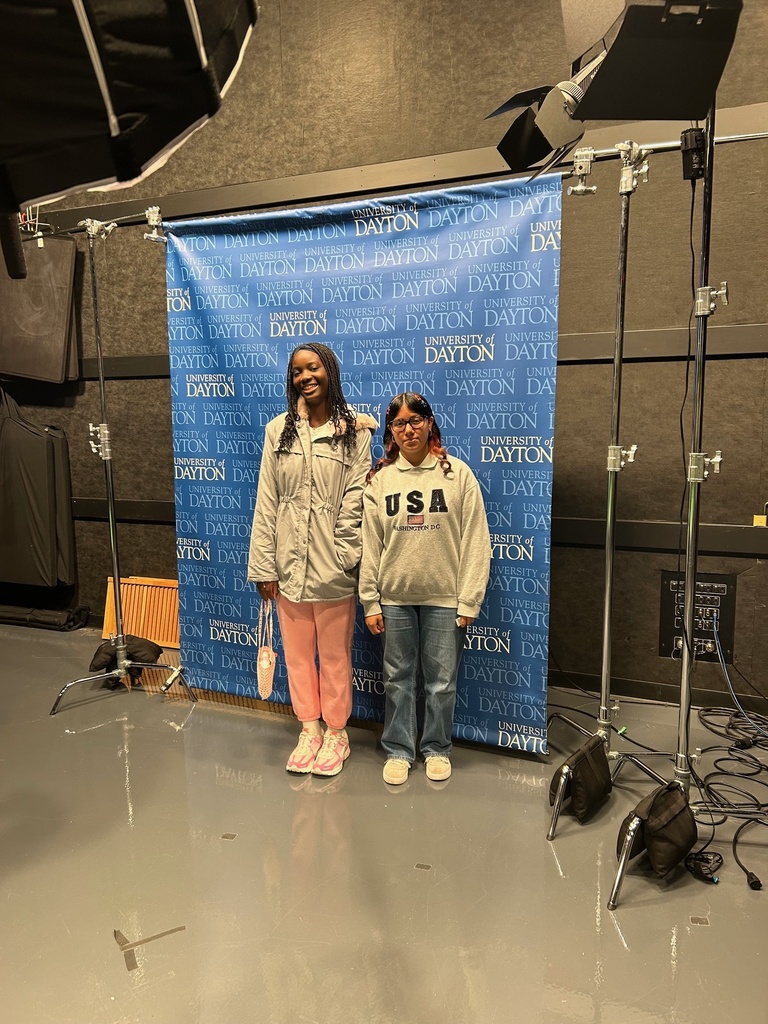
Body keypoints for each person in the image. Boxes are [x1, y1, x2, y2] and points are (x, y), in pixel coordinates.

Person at [248, 343, 376, 777]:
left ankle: (337, 733)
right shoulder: (277, 431)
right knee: (298, 655)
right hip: (287, 566)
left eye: (313, 367)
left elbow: (357, 497)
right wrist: (265, 565)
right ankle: (309, 728)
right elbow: (267, 500)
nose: (306, 376)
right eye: (297, 370)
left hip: (332, 567)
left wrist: (344, 554)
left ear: (329, 371)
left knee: (335, 656)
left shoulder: (354, 431)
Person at [359, 392, 492, 785]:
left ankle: (436, 747)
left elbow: (476, 541)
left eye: (415, 420)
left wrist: (469, 598)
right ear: (390, 431)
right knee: (397, 679)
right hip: (394, 599)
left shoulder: (458, 475)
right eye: (399, 424)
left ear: (430, 422)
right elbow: (370, 545)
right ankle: (399, 749)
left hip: (445, 600)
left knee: (441, 680)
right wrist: (370, 600)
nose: (408, 430)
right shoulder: (379, 480)